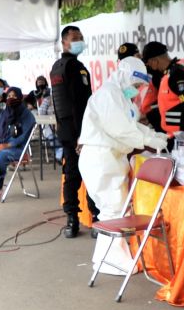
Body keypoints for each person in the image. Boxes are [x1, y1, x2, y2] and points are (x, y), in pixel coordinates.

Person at [79, 57, 167, 272]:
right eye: (136, 85)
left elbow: (130, 125)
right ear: (125, 76)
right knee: (113, 210)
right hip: (101, 158)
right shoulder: (109, 94)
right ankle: (114, 262)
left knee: (112, 210)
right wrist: (148, 140)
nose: (136, 90)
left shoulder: (119, 96)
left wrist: (151, 134)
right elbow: (120, 129)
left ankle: (104, 258)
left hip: (109, 158)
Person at [50, 25, 96, 237]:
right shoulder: (72, 68)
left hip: (68, 130)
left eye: (81, 37)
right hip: (78, 131)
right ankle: (92, 217)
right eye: (75, 38)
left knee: (72, 174)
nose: (79, 41)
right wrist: (81, 134)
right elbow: (74, 104)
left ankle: (73, 220)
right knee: (87, 174)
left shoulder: (59, 67)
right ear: (64, 43)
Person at [142, 41, 184, 139]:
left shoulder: (178, 74)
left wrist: (183, 133)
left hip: (179, 135)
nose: (150, 68)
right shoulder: (167, 73)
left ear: (154, 61)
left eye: (148, 64)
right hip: (170, 134)